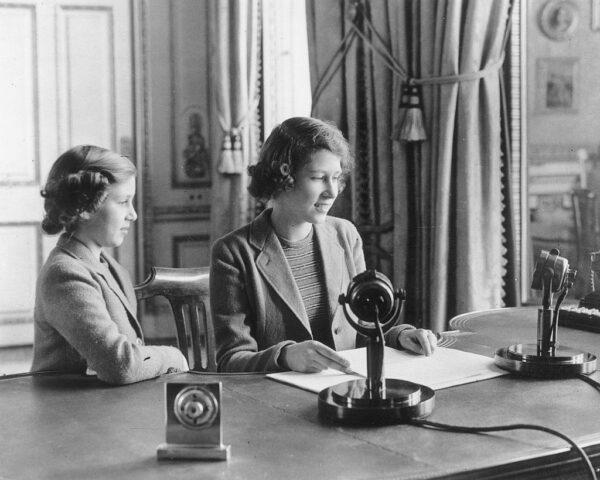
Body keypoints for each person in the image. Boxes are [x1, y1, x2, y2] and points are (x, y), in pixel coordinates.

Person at [210, 117, 437, 373]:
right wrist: (285, 357)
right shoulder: (232, 252)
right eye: (319, 178)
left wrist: (399, 336)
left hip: (345, 389)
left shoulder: (345, 234)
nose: (332, 192)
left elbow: (362, 327)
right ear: (283, 178)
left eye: (337, 178)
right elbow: (230, 360)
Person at [30, 145, 188, 384]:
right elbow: (120, 364)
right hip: (69, 414)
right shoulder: (64, 274)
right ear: (84, 207)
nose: (133, 214)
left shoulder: (109, 266)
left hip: (106, 404)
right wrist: (174, 356)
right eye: (123, 201)